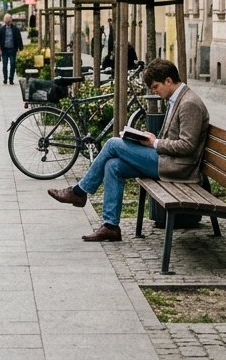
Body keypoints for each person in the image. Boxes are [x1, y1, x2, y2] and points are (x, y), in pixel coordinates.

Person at [46, 58, 209, 242]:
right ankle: (110, 226)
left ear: (169, 81)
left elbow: (188, 145)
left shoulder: (189, 103)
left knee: (112, 144)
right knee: (113, 165)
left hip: (178, 168)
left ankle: (79, 192)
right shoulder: (177, 99)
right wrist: (147, 138)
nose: (155, 91)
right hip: (166, 160)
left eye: (156, 87)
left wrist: (155, 143)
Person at [0, 14, 25, 85]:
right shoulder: (2, 29)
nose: (7, 22)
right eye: (6, 21)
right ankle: (5, 79)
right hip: (4, 50)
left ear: (11, 20)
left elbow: (19, 38)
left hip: (12, 49)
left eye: (8, 21)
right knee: (5, 65)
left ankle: (11, 78)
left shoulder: (15, 29)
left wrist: (20, 48)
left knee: (13, 64)